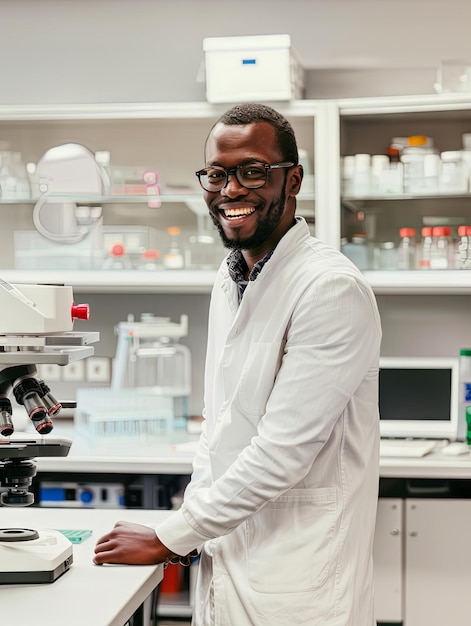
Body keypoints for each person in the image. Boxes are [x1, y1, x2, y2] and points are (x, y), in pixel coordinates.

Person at [94, 103, 382, 626]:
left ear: (292, 180)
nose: (229, 190)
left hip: (299, 577)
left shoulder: (330, 288)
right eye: (217, 174)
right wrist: (192, 528)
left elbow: (282, 452)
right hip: (227, 555)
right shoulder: (229, 279)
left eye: (252, 171)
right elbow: (218, 425)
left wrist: (171, 535)